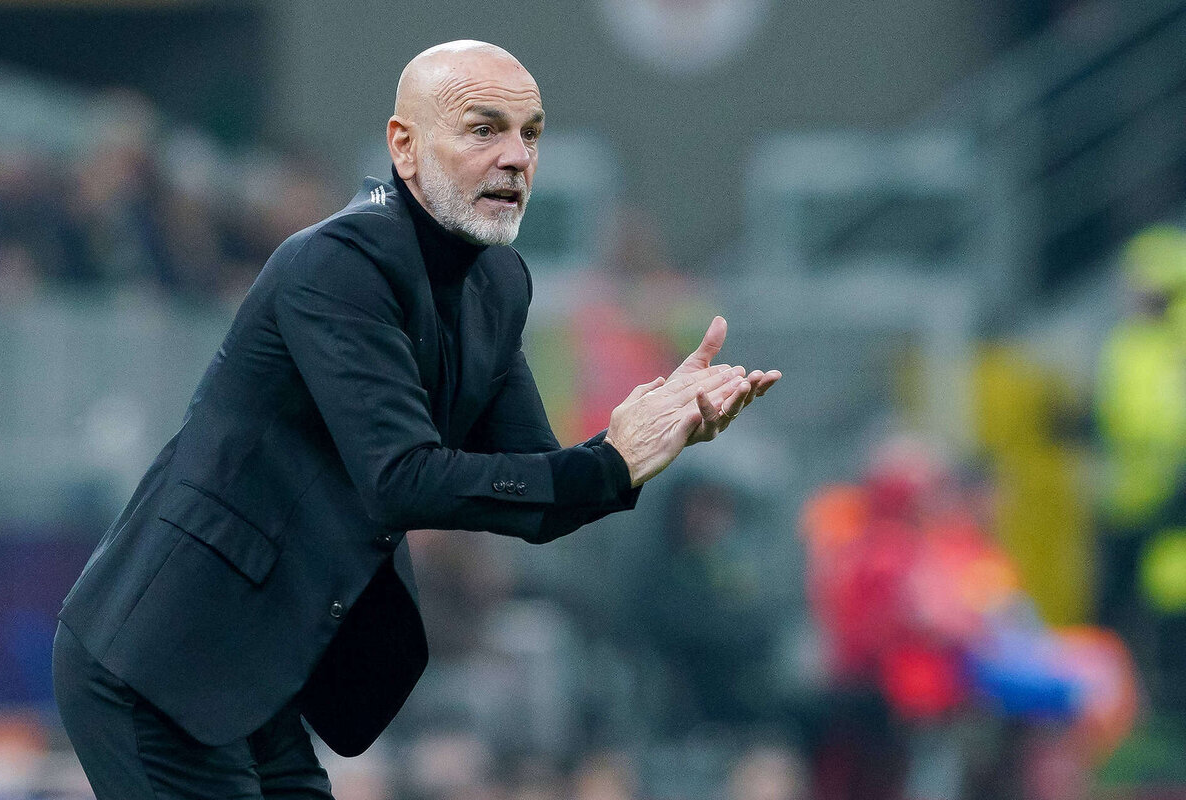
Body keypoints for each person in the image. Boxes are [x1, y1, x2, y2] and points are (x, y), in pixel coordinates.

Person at [50, 39, 780, 799]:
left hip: (255, 673)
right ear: (404, 146)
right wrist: (605, 464)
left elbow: (533, 488)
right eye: (484, 129)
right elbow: (400, 478)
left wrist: (639, 441)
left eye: (530, 134)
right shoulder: (337, 264)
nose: (516, 157)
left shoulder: (498, 281)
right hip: (160, 659)